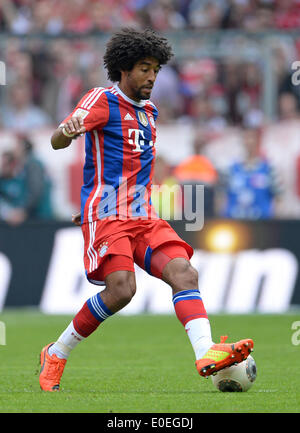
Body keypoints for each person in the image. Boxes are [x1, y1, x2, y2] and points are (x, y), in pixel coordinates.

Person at [39, 28, 253, 392]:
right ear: (123, 69)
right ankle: (56, 353)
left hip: (143, 214)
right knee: (122, 290)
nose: (152, 77)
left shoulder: (149, 112)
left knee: (184, 273)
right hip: (108, 215)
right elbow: (58, 141)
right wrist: (67, 130)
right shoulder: (101, 100)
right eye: (143, 68)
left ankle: (205, 352)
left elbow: (131, 168)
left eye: (155, 69)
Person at [220, 126, 282, 219]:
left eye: (252, 138)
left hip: (262, 224)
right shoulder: (230, 169)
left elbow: (278, 197)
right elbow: (221, 196)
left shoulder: (269, 169)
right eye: (246, 138)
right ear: (242, 141)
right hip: (233, 225)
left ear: (258, 142)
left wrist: (275, 222)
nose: (249, 141)